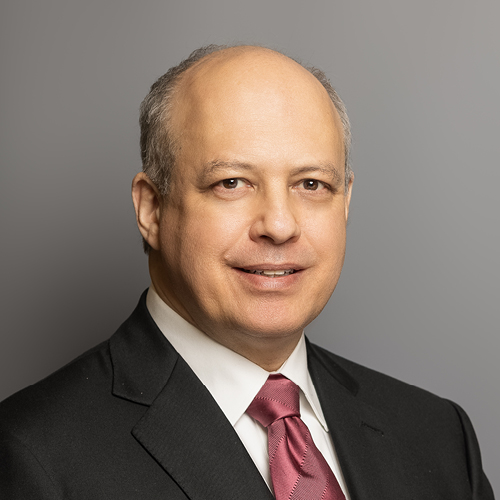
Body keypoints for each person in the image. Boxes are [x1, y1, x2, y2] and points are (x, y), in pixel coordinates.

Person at [0, 45, 494, 499]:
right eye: (232, 182)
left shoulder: (438, 436)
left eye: (311, 184)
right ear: (151, 209)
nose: (279, 225)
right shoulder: (32, 456)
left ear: (345, 203)